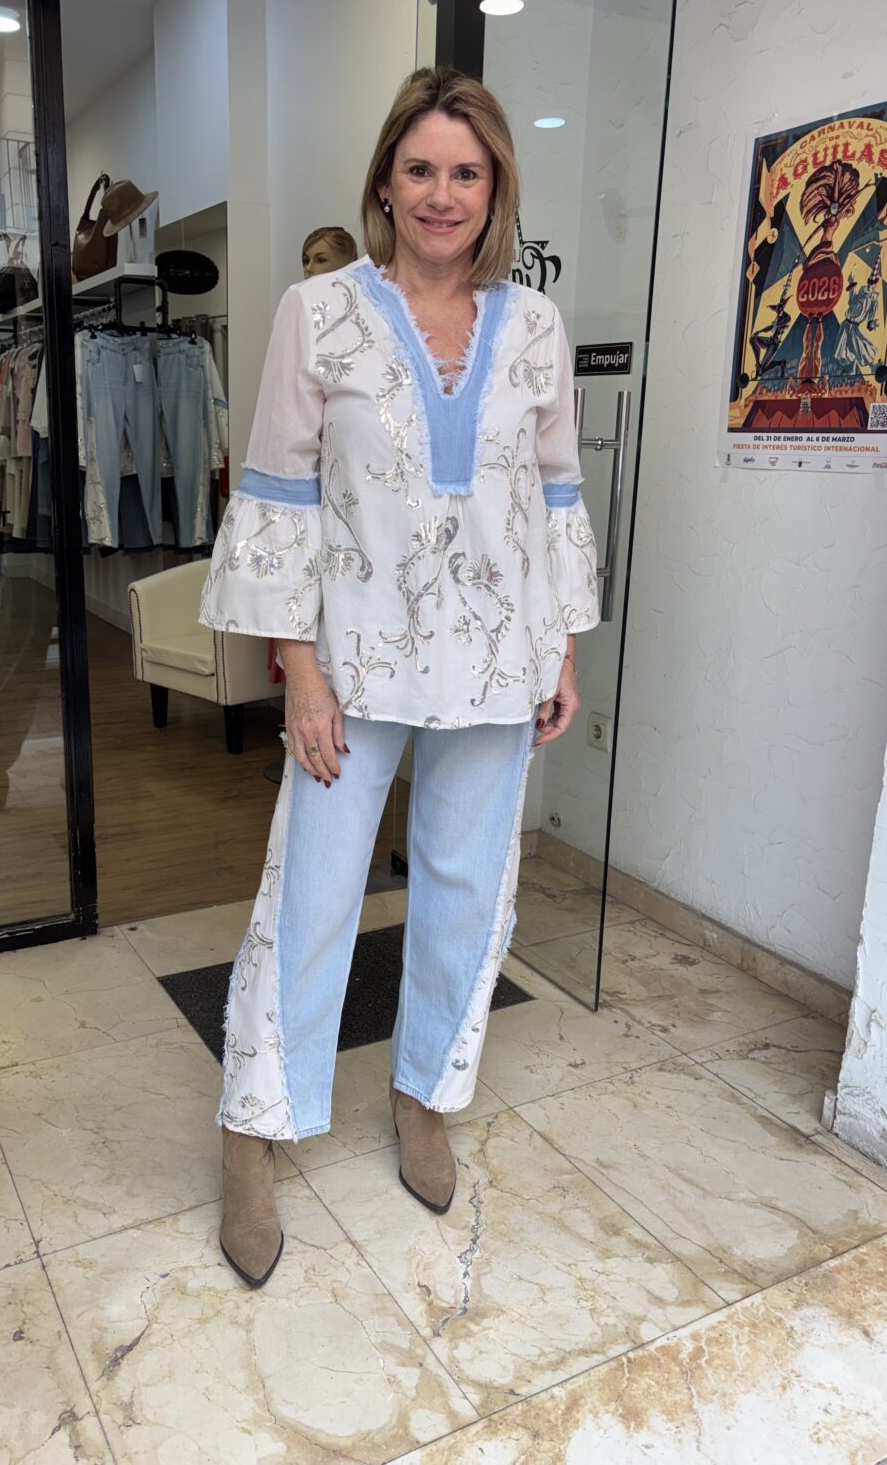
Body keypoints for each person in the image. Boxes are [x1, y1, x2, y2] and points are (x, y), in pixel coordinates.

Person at [198, 66, 600, 1287]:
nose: (441, 194)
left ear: (495, 189)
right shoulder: (317, 312)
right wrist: (298, 669)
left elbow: (555, 494)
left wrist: (560, 647)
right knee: (310, 894)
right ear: (384, 181)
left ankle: (425, 1093)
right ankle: (254, 1128)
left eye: (465, 173)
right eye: (420, 169)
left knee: (468, 889)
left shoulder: (534, 329)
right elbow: (278, 493)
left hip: (498, 659)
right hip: (354, 662)